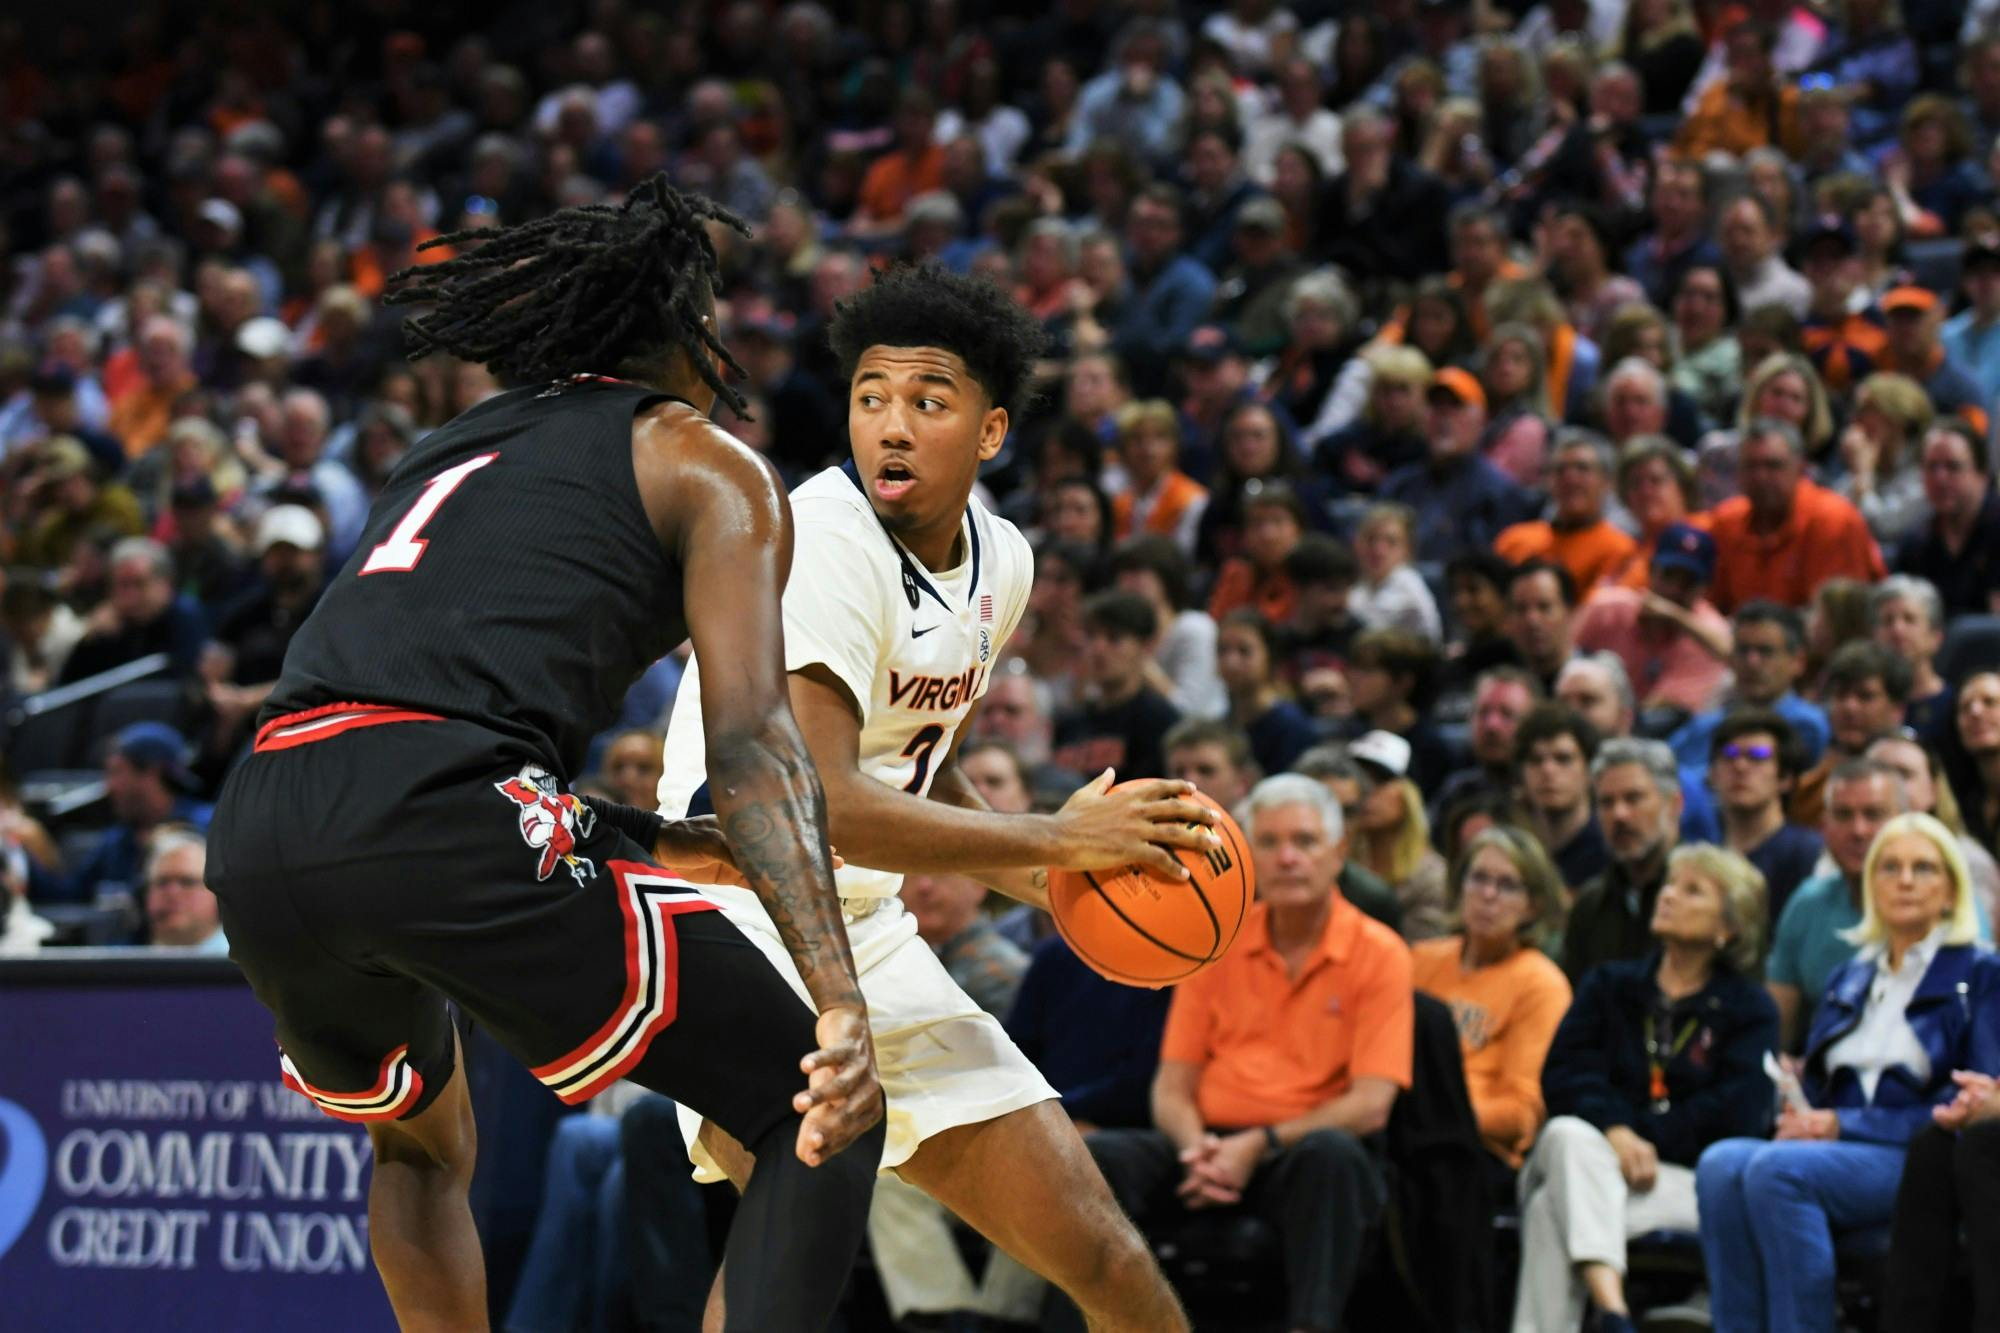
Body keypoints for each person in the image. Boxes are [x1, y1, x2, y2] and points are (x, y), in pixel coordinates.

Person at [204, 179, 893, 1333]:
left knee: (419, 1146)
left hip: (265, 810)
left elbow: (418, 693)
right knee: (815, 1106)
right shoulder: (706, 462)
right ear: (685, 330)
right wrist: (840, 1007)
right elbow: (755, 743)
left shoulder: (445, 450)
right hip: (438, 808)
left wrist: (647, 839)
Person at [656, 263, 1216, 1333]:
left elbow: (920, 763)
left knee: (1105, 1255)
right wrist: (1050, 830)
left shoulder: (1001, 559)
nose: (892, 427)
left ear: (991, 430)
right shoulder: (817, 536)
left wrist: (1051, 877)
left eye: (927, 399)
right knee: (785, 1256)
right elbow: (811, 797)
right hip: (737, 918)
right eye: (871, 398)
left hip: (866, 933)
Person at [1088, 774, 1413, 1333]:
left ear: (1339, 853)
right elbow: (1171, 1086)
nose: (1287, 858)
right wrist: (1198, 1151)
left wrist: (1257, 1147)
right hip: (1207, 1146)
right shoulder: (1217, 939)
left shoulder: (1380, 951)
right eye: (1269, 842)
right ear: (1247, 853)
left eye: (1305, 842)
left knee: (1334, 1157)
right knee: (1099, 1158)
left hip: (1296, 1154)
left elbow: (1371, 1106)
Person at [1698, 813, 2000, 1333]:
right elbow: (1821, 1088)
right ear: (1870, 885)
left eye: (1923, 868)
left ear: (1951, 890)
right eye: (1889, 868)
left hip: (1916, 1153)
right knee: (1721, 1165)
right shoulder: (1850, 975)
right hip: (1838, 1149)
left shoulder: (1982, 973)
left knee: (1778, 1172)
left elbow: (1974, 1105)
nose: (1904, 880)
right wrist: (1802, 1108)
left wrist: (1842, 1126)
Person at [1520, 844, 1778, 1333]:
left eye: (1692, 890)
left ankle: (1609, 1312)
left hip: (1681, 1183)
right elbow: (1565, 1073)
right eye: (1670, 884)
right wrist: (1615, 1131)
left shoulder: (1749, 1010)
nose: (1669, 895)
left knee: (1549, 1203)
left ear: (1728, 927)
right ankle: (1615, 1310)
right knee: (1568, 1137)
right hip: (1599, 1164)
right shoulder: (1610, 985)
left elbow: (1737, 1113)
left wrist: (1642, 1138)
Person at [1412, 826, 1572, 1170]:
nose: (1488, 894)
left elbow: (1520, 1114)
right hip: (1402, 1130)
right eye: (1478, 878)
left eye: (1507, 885)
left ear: (1533, 906)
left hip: (1474, 1151)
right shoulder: (1421, 959)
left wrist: (1435, 1115)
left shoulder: (1540, 983)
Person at [1768, 760, 1910, 1051]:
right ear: (1823, 826)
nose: (1858, 830)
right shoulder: (1807, 903)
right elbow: (1776, 1029)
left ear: (1905, 823)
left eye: (1873, 814)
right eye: (1843, 815)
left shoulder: (1946, 905)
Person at [1707, 418, 1886, 613]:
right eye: (1751, 466)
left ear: (1800, 468)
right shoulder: (1725, 522)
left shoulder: (1835, 520)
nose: (1761, 477)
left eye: (1773, 465)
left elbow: (1843, 620)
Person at [1574, 522, 1733, 716]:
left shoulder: (1707, 635)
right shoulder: (1609, 609)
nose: (1674, 589)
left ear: (1705, 587)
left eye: (1687, 582)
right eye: (1668, 576)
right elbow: (1563, 656)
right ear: (1650, 570)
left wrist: (1675, 616)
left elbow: (1659, 710)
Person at [1564, 739, 1687, 982]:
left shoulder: (1707, 896)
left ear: (1674, 804)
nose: (1619, 815)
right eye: (1606, 802)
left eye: (1633, 798)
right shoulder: (1590, 904)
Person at [1669, 602, 1832, 772]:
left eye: (1765, 651)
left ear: (1798, 661)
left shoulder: (1806, 726)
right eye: (1743, 650)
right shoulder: (1706, 724)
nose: (1751, 662)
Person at [1052, 590, 1185, 781]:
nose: (1098, 649)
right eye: (1090, 637)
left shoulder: (1161, 721)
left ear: (1145, 646)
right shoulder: (1068, 722)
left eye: (1114, 638)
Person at [1710, 709, 1827, 922]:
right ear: (1712, 774)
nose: (1740, 766)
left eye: (1757, 756)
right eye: (1729, 755)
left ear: (1785, 778)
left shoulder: (1807, 853)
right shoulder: (1705, 856)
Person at [1495, 434, 1639, 595]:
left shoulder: (1620, 549)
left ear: (1607, 482)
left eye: (1582, 468)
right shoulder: (1513, 540)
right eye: (1560, 470)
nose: (1570, 478)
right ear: (1548, 481)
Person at [1791, 640, 1914, 827]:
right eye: (1840, 695)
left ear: (1897, 709)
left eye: (1865, 696)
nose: (1849, 707)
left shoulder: (1914, 780)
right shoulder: (1808, 791)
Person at [1346, 730, 1454, 941]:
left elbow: (1423, 957)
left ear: (1409, 794)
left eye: (1380, 780)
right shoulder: (1336, 863)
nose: (1366, 791)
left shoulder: (1431, 879)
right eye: (1358, 780)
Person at [1895, 420, 2000, 619]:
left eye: (1953, 467)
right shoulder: (1915, 542)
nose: (1940, 478)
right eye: (1931, 467)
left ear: (1982, 474)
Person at [1516, 703, 1612, 892]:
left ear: (1590, 771)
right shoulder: (1512, 851)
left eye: (1563, 759)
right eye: (1535, 760)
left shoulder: (1612, 853)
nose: (1548, 770)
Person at [1350, 501, 1444, 643]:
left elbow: (1363, 634)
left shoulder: (1408, 583)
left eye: (1391, 542)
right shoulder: (1362, 584)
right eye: (1371, 539)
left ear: (1408, 550)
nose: (1378, 550)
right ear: (1357, 544)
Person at [141, 827, 226, 953]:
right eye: (162, 882)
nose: (172, 893)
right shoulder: (119, 963)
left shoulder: (247, 965)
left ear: (216, 893)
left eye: (187, 882)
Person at [1508, 559, 1582, 695]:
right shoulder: (1503, 688)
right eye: (1521, 609)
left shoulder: (1600, 678)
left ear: (1570, 611)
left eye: (1544, 607)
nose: (1532, 620)